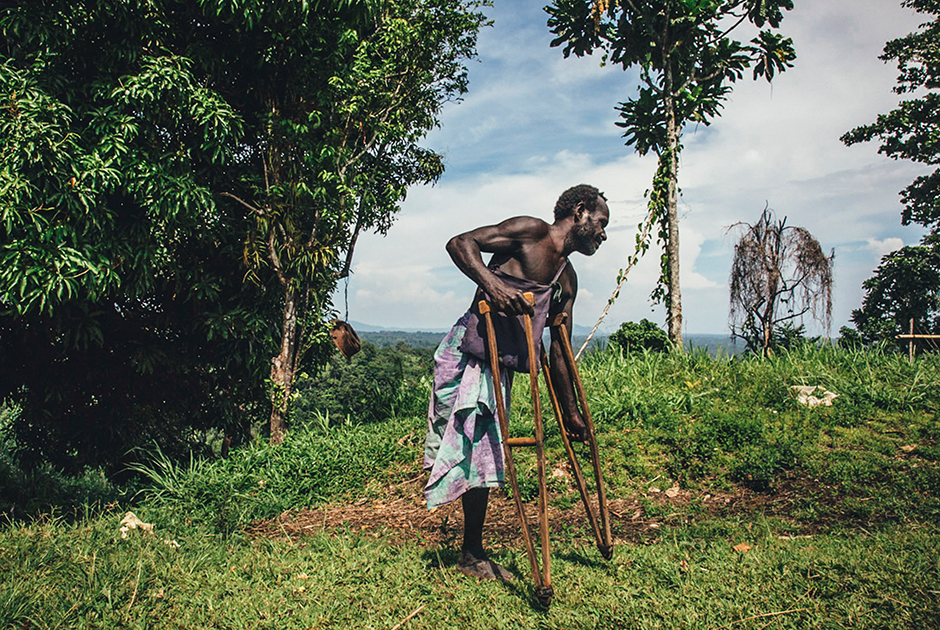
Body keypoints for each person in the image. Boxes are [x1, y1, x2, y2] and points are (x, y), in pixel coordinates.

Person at [423, 184, 609, 580]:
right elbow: (460, 244)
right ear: (579, 212)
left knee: (484, 453)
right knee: (469, 450)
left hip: (499, 365)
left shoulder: (566, 281)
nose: (603, 234)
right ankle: (471, 551)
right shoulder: (529, 231)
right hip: (469, 351)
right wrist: (494, 284)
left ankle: (471, 551)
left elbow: (559, 349)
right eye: (600, 223)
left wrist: (571, 413)